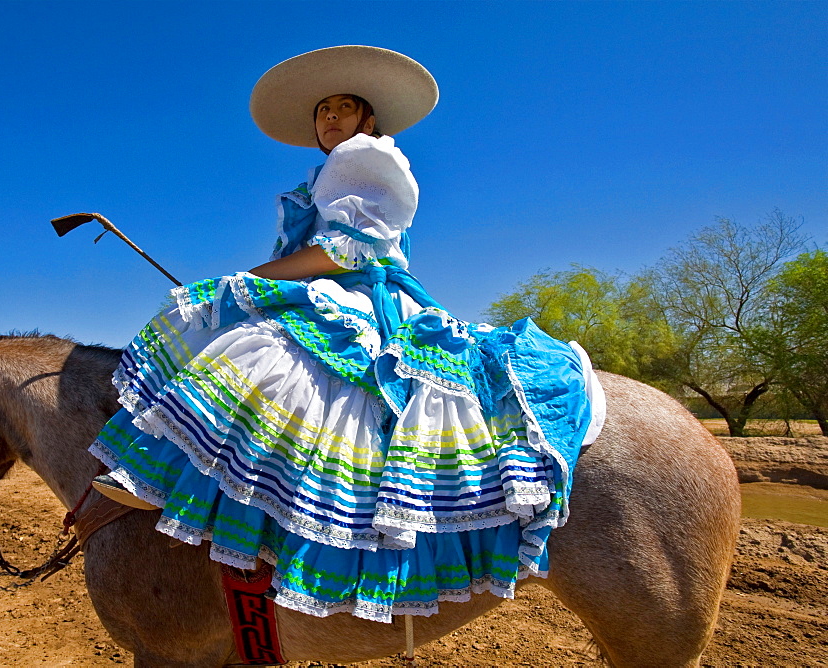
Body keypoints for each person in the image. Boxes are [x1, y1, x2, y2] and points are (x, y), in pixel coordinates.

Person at [90, 45, 605, 623]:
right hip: (342, 285)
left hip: (360, 291)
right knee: (258, 350)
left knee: (262, 356)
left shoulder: (365, 159)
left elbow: (343, 250)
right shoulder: (331, 172)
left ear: (368, 121)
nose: (330, 117)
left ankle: (188, 492)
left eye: (344, 107)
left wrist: (248, 280)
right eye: (322, 110)